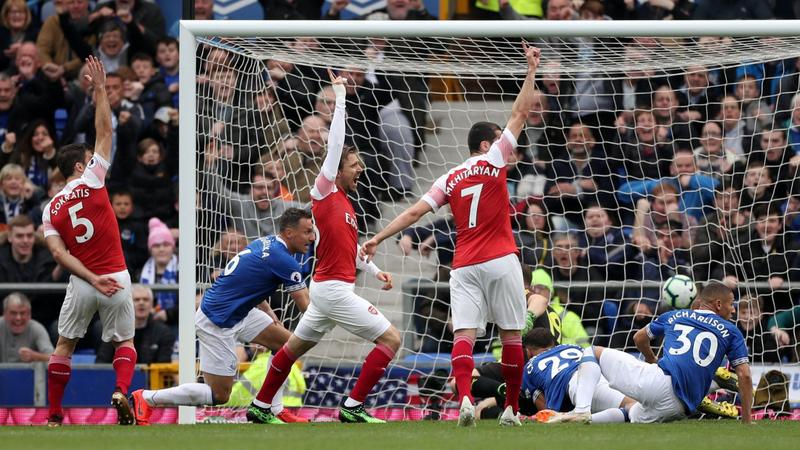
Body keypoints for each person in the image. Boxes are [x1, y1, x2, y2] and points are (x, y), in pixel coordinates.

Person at [361, 44, 542, 427]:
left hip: (462, 265)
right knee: (511, 334)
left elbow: (413, 211)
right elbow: (521, 112)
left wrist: (378, 237)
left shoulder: (450, 176)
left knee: (464, 334)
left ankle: (461, 399)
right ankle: (510, 409)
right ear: (485, 144)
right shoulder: (494, 158)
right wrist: (530, 70)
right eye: (500, 139)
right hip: (499, 259)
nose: (508, 146)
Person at [249, 69, 400, 425]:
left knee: (292, 349)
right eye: (354, 164)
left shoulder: (347, 206)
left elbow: (353, 252)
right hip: (332, 290)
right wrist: (342, 95)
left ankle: (260, 404)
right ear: (337, 170)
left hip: (328, 289)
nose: (360, 168)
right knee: (392, 340)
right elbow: (335, 145)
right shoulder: (324, 191)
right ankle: (353, 406)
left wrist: (376, 271)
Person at [129, 208, 316, 425]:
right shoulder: (285, 260)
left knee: (286, 345)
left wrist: (269, 312)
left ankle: (273, 409)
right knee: (219, 395)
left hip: (239, 311)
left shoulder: (265, 243)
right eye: (307, 232)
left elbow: (250, 281)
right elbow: (306, 307)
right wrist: (334, 317)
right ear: (290, 233)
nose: (312, 238)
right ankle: (146, 398)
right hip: (217, 321)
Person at [41, 56, 137, 427]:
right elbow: (106, 133)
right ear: (80, 167)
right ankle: (119, 391)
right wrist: (100, 90)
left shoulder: (50, 209)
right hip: (115, 275)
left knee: (65, 345)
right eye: (88, 158)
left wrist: (89, 277)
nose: (94, 159)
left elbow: (56, 252)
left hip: (83, 281)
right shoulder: (93, 180)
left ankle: (52, 416)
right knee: (124, 343)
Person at [591, 282, 753, 423]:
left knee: (592, 352)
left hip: (657, 381)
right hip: (679, 408)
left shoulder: (675, 315)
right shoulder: (732, 331)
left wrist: (651, 359)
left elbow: (639, 338)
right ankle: (710, 386)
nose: (733, 310)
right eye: (732, 304)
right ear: (718, 304)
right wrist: (747, 420)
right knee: (630, 413)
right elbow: (744, 375)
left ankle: (581, 410)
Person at [96, 284, 174, 364]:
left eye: (146, 300)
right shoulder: (115, 332)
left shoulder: (164, 333)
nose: (141, 303)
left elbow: (163, 367)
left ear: (151, 305)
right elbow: (101, 364)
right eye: (136, 300)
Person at [0, 292, 54, 363]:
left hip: (27, 374)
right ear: (4, 313)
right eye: (13, 313)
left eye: (22, 313)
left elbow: (54, 358)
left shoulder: (36, 328)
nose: (18, 318)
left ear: (29, 314)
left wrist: (35, 356)